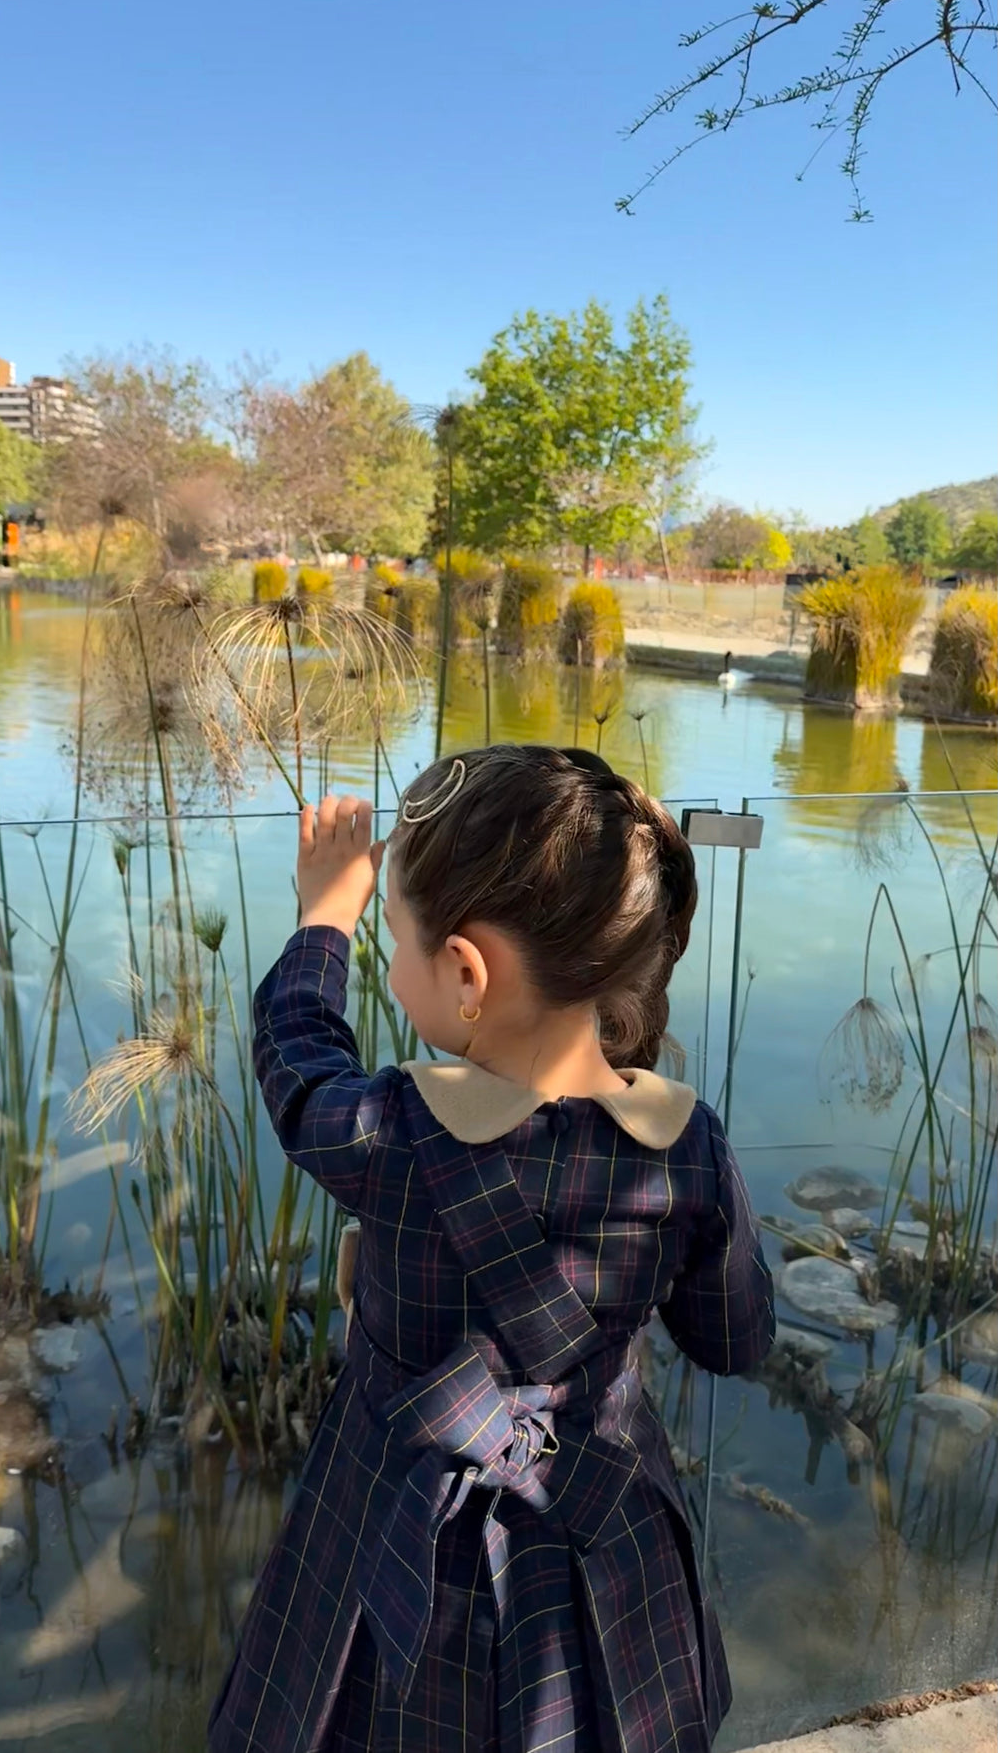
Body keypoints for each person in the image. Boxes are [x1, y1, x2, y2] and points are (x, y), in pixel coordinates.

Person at [209, 745, 775, 1753]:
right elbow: (733, 1337)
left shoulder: (388, 1132)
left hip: (396, 1541)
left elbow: (297, 1057)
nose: (388, 962)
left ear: (465, 971)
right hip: (600, 1542)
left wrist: (323, 917)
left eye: (393, 938)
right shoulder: (685, 1146)